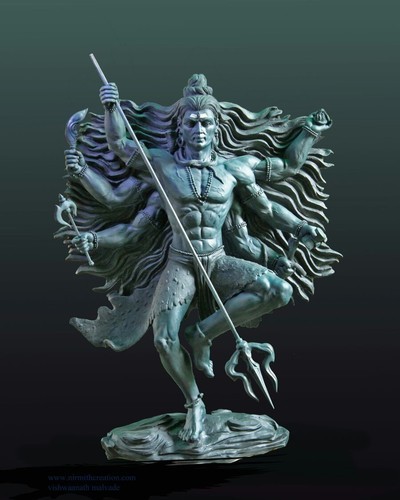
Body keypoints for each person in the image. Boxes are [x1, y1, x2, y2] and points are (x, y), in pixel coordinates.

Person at [61, 74, 338, 442]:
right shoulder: (162, 166)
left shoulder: (234, 169)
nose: (199, 128)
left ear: (216, 126)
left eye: (206, 121)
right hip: (181, 264)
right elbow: (121, 146)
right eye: (191, 122)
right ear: (181, 128)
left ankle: (202, 334)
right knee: (164, 340)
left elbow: (279, 185)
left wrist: (309, 138)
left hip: (219, 261)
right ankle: (194, 403)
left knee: (278, 290)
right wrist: (111, 106)